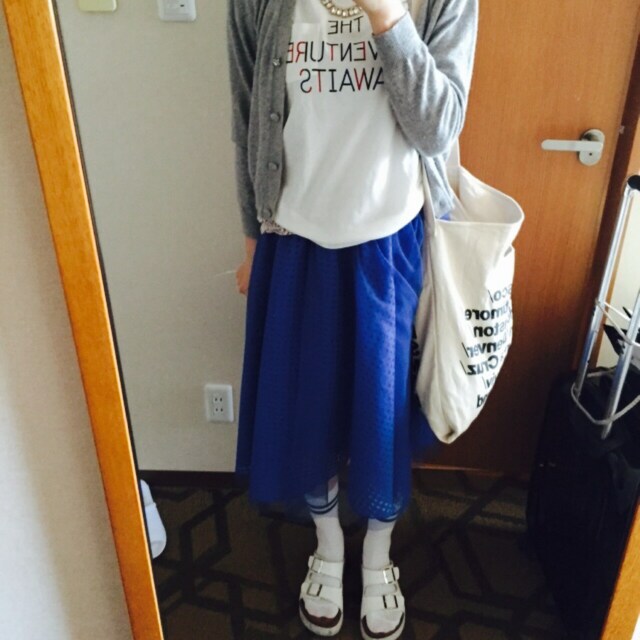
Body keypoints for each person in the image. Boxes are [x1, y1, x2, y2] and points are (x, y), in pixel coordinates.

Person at [226, 0, 477, 637]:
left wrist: (389, 17)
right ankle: (329, 546)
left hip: (389, 243)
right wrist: (252, 241)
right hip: (294, 238)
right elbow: (247, 113)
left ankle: (378, 556)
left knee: (381, 416)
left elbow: (439, 129)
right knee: (309, 409)